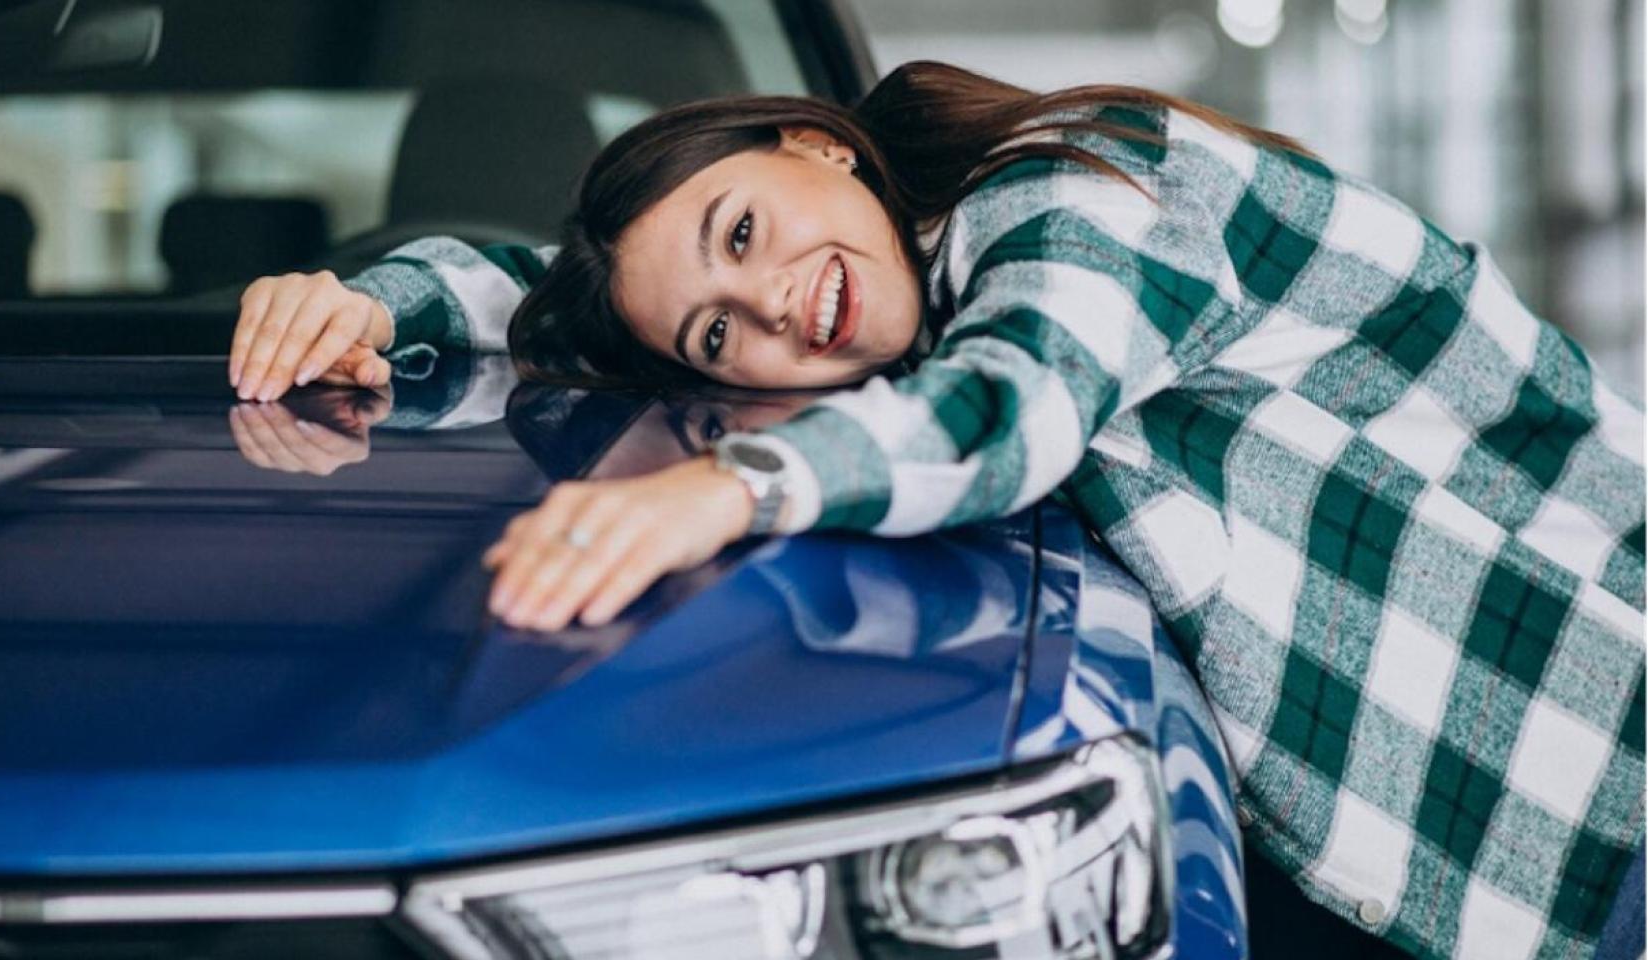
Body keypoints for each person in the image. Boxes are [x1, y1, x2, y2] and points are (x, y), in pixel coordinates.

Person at [227, 61, 1643, 960]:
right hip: (1492, 848)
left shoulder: (1087, 177)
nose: (772, 300)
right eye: (720, 341)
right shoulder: (909, 313)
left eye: (744, 231)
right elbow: (540, 284)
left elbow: (1024, 402)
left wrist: (723, 486)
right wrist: (368, 302)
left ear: (818, 147)